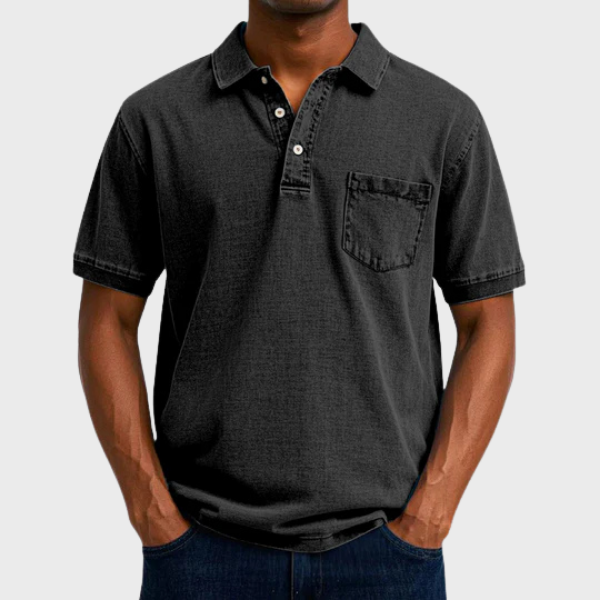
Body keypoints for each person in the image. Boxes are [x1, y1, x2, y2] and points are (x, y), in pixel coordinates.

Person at [73, 1, 526, 598]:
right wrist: (151, 513)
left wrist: (430, 514)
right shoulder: (155, 120)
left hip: (387, 554)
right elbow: (108, 317)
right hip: (201, 553)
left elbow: (487, 321)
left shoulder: (442, 120)